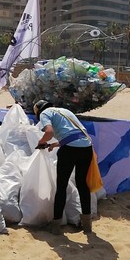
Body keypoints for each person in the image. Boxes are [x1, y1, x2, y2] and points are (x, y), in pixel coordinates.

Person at [34, 100, 93, 235]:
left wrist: (41, 142)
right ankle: (87, 226)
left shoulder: (45, 113)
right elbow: (75, 134)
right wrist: (56, 144)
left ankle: (55, 226)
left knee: (61, 186)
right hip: (87, 147)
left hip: (70, 150)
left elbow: (49, 132)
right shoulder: (65, 111)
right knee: (82, 184)